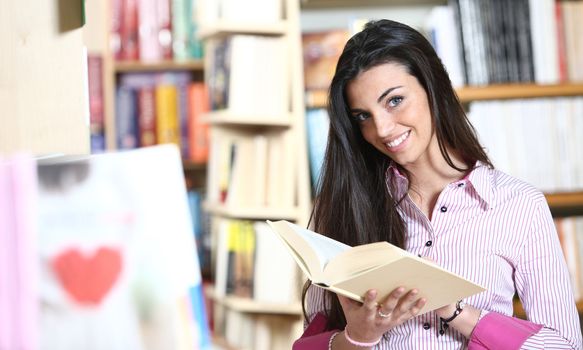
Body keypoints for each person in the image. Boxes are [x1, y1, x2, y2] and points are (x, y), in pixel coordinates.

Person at [293, 19, 582, 349]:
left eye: (394, 100)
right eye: (363, 116)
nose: (383, 129)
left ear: (433, 88)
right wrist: (358, 336)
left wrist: (453, 308)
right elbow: (309, 344)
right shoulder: (343, 208)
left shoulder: (519, 205)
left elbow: (564, 345)